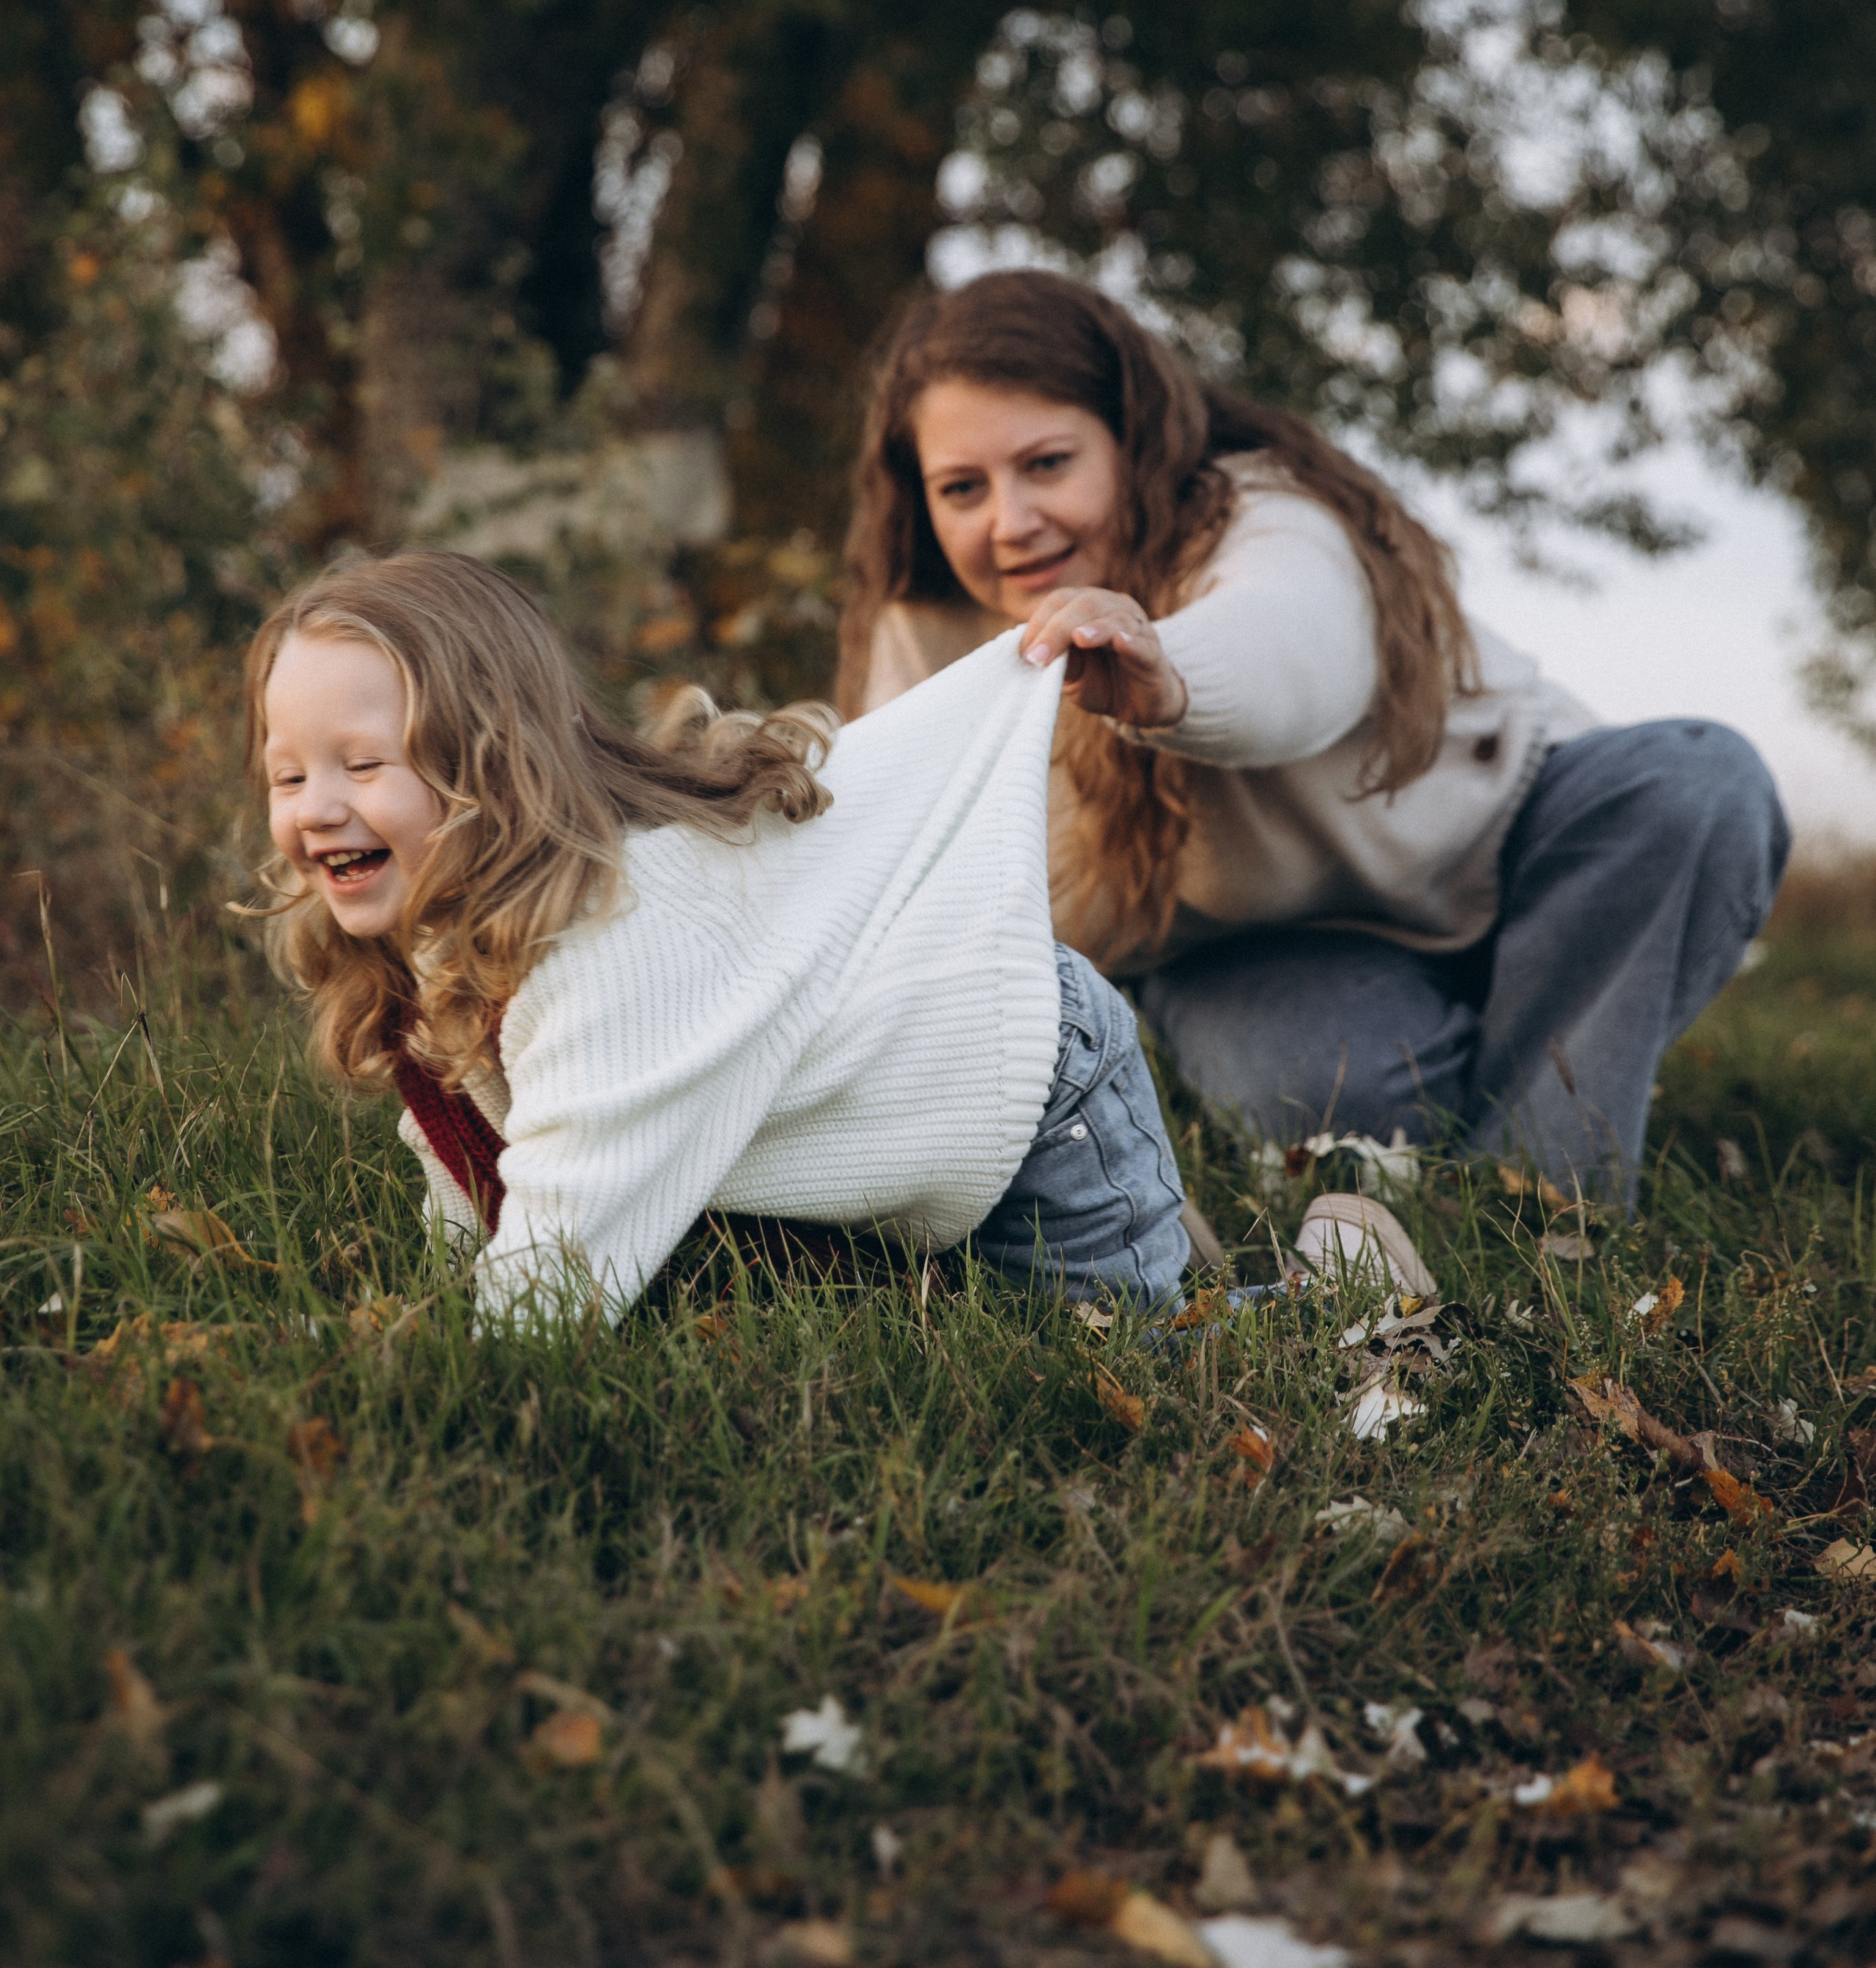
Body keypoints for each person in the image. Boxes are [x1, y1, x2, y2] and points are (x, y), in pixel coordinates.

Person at [838, 270, 1790, 1204]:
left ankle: (1538, 1195)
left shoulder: (1258, 510)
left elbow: (1296, 642)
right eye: (962, 487)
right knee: (1347, 1107)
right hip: (1270, 945)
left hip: (1503, 852)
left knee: (1700, 781)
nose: (1012, 520)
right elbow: (918, 865)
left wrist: (1163, 670)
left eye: (1047, 463)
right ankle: (1508, 1066)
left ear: (1130, 441)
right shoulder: (924, 631)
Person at [245, 549, 1197, 1317]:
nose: (316, 809)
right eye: (289, 776)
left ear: (493, 766)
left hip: (1030, 1085)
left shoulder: (608, 944)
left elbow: (560, 1267)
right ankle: (1168, 1226)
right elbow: (476, 1144)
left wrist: (469, 1366)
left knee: (1110, 1367)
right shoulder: (443, 928)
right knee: (924, 1326)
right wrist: (447, 1290)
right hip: (890, 1137)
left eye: (363, 764)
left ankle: (1320, 1261)